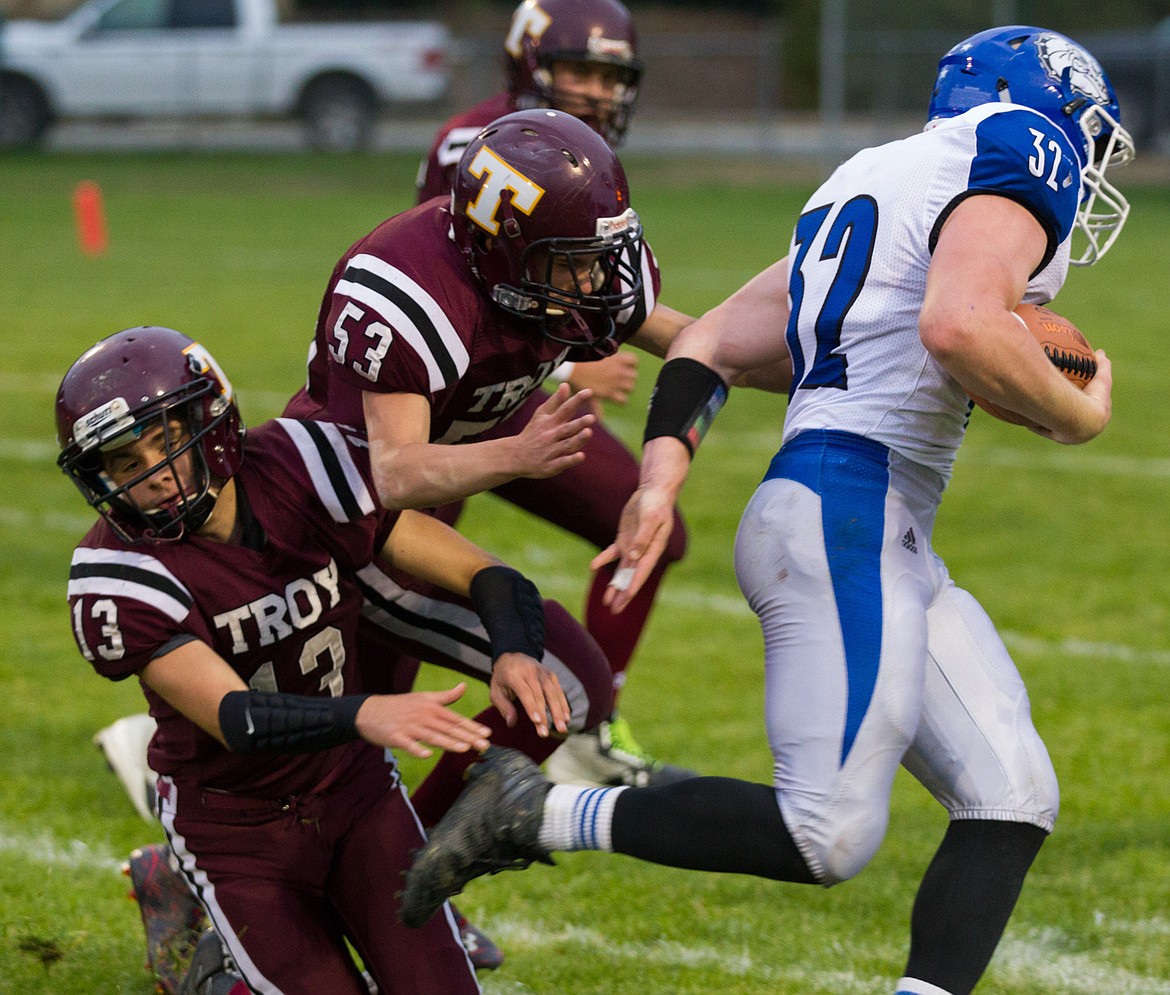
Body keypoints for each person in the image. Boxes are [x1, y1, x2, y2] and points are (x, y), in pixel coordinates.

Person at [396, 27, 1135, 995]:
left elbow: (709, 343)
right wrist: (1078, 411)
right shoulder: (1018, 144)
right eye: (1087, 133)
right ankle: (534, 809)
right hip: (849, 510)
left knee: (1010, 789)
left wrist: (659, 479)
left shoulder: (879, 175)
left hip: (859, 513)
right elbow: (956, 326)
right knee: (827, 830)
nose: (1085, 158)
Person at [58, 325, 606, 994]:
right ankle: (218, 982)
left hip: (355, 792)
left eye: (166, 437)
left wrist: (514, 652)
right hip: (235, 828)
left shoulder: (300, 463)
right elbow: (236, 716)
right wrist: (366, 711)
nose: (152, 472)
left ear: (211, 420)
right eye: (122, 461)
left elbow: (483, 573)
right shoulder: (115, 572)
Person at [286, 104, 699, 792]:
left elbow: (694, 338)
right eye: (576, 263)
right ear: (506, 250)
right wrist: (517, 455)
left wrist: (819, 358)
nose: (598, 281)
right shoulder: (410, 286)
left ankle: (416, 856)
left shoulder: (557, 277)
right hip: (345, 515)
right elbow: (390, 475)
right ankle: (400, 861)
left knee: (563, 680)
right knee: (338, 759)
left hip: (439, 482)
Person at [412, 0, 693, 788]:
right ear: (528, 63)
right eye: (580, 70)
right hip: (440, 407)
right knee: (385, 622)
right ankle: (213, 743)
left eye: (612, 74)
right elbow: (450, 296)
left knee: (648, 531)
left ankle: (587, 728)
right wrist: (573, 366)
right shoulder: (484, 146)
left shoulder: (576, 151)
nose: (598, 90)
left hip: (517, 395)